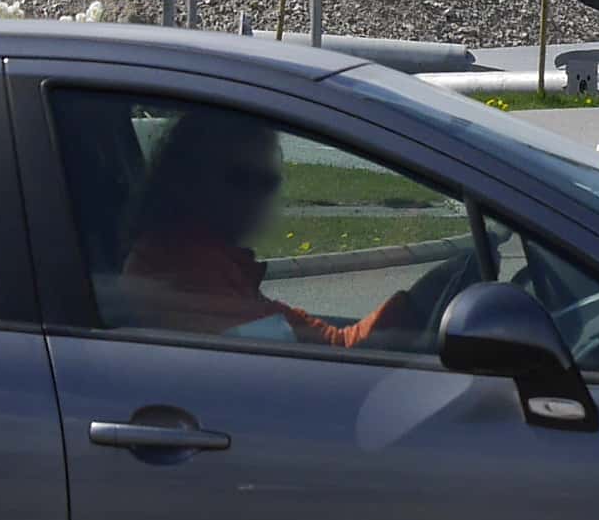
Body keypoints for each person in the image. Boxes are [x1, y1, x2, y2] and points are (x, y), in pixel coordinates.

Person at [106, 108, 455, 349]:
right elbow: (315, 354)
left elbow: (332, 342)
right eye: (242, 179)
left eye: (268, 181)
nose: (259, 195)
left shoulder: (219, 268)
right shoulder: (181, 277)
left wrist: (420, 301)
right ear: (188, 180)